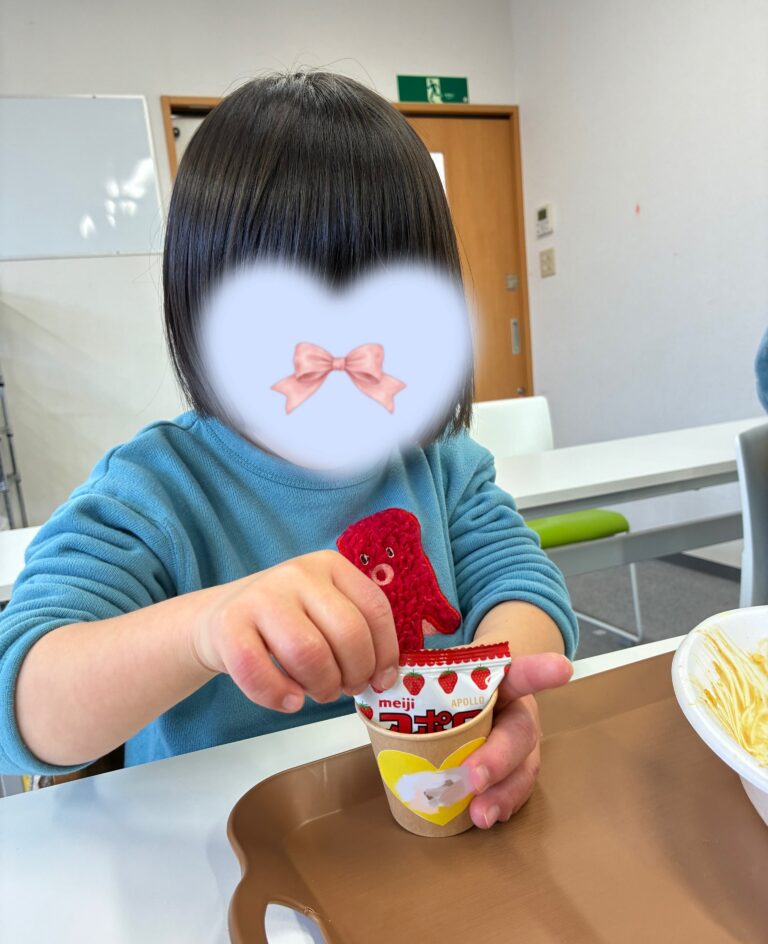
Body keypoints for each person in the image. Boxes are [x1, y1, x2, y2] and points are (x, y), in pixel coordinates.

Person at [0, 72, 577, 829]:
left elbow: (523, 585)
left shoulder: (441, 465)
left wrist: (500, 687)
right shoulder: (154, 490)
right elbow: (22, 700)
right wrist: (207, 627)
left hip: (420, 830)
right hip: (214, 850)